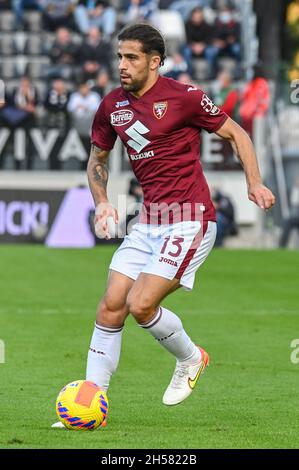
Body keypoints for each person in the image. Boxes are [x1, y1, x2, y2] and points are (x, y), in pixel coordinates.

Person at [52, 23, 275, 429]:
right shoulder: (111, 106)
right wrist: (102, 203)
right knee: (111, 305)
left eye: (132, 57)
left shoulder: (184, 97)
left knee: (140, 304)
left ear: (154, 62)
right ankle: (89, 402)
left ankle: (191, 357)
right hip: (150, 219)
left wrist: (254, 181)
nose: (122, 65)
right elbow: (97, 159)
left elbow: (236, 133)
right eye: (120, 56)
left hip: (191, 219)